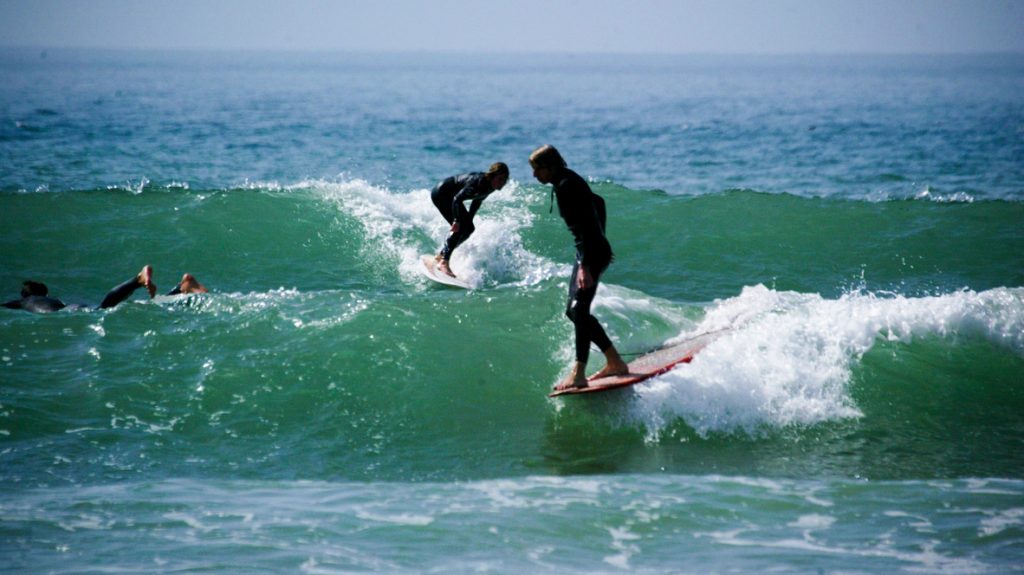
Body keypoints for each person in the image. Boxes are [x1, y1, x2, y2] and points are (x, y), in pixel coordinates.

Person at [529, 145, 628, 391]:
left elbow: (582, 226)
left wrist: (586, 263)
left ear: (550, 166)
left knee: (579, 310)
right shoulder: (567, 179)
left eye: (537, 169)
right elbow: (599, 203)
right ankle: (614, 361)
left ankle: (579, 373)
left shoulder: (566, 186)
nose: (534, 175)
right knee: (573, 312)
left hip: (590, 254)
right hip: (590, 250)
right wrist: (601, 240)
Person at [2, 266, 207, 314]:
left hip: (68, 312)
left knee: (105, 307)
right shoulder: (51, 298)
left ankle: (137, 280)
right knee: (140, 305)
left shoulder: (21, 303)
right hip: (73, 307)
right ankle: (181, 288)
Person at [430, 162, 509, 277]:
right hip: (442, 194)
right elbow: (457, 199)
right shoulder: (478, 182)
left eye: (505, 180)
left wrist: (469, 219)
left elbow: (477, 201)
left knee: (469, 228)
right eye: (500, 179)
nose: (502, 183)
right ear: (492, 176)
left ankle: (442, 255)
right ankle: (443, 262)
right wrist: (456, 221)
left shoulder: (491, 186)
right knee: (460, 227)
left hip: (451, 197)